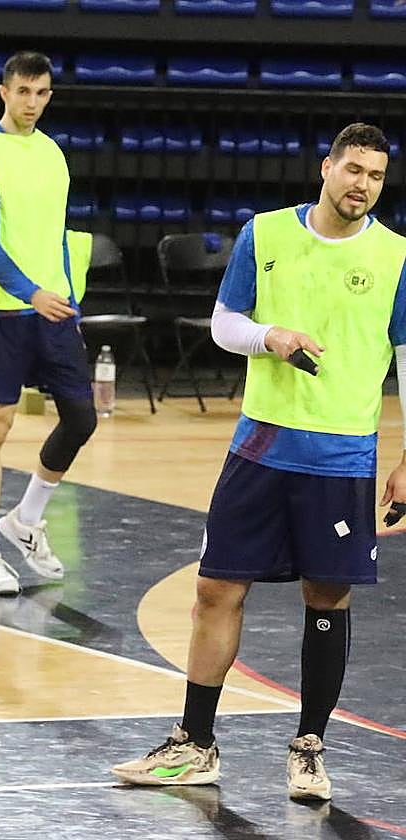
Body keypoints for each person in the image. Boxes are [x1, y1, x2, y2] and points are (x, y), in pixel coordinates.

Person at [112, 123, 406, 801]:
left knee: (327, 597)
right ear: (326, 168)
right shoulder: (265, 234)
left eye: (376, 176)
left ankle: (309, 749)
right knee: (216, 589)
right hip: (261, 446)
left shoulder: (395, 255)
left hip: (342, 454)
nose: (362, 185)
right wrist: (270, 337)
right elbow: (225, 323)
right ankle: (194, 743)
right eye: (353, 169)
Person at [0, 50, 97, 597]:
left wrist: (67, 301)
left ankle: (26, 519)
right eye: (23, 92)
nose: (32, 102)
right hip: (2, 313)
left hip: (54, 310)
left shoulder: (53, 153)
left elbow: (57, 237)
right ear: (4, 93)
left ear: (49, 95)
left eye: (41, 93)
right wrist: (30, 293)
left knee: (81, 419)